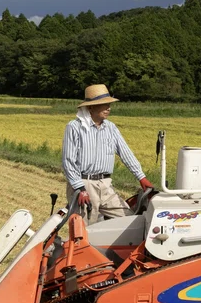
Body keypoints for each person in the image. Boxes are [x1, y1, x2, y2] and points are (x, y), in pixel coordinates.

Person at [62, 84, 153, 223]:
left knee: (129, 219)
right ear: (90, 107)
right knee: (86, 230)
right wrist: (79, 188)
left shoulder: (111, 128)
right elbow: (68, 161)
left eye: (109, 104)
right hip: (84, 183)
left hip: (105, 184)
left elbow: (125, 153)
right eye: (104, 105)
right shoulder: (74, 127)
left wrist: (141, 177)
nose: (108, 108)